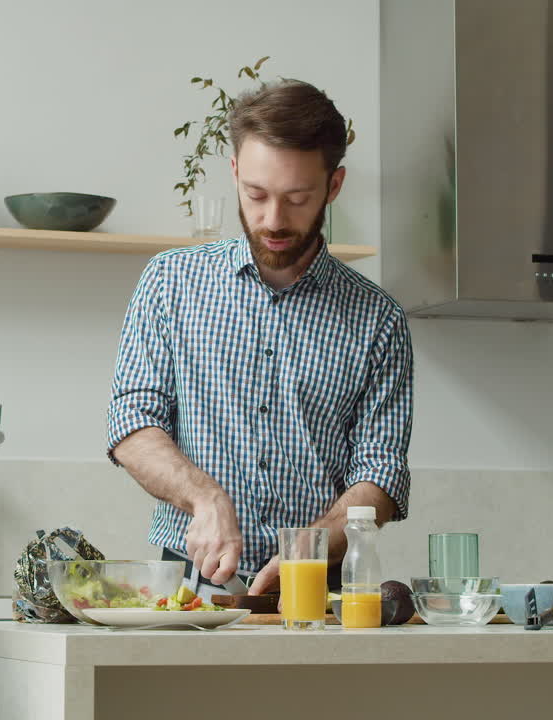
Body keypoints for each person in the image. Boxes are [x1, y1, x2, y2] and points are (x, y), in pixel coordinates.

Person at [106, 79, 414, 598]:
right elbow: (133, 423)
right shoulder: (170, 282)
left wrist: (308, 548)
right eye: (256, 194)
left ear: (333, 187)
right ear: (234, 173)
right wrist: (206, 498)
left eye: (298, 198)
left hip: (318, 587)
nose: (273, 220)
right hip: (188, 579)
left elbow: (379, 476)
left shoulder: (377, 318)